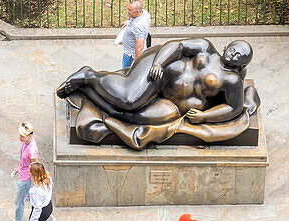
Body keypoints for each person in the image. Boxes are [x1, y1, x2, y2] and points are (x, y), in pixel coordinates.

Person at [57, 39, 260, 149]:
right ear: (227, 46)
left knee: (134, 118)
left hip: (174, 105)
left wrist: (204, 116)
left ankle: (91, 95)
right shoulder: (206, 48)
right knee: (129, 100)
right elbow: (176, 45)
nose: (233, 54)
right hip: (159, 73)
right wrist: (158, 64)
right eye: (233, 49)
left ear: (241, 64)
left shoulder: (232, 80)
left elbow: (232, 109)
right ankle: (89, 76)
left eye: (238, 56)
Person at [6, 122, 54, 221]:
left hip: (26, 179)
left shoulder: (32, 150)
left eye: (22, 136)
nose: (20, 137)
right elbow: (24, 159)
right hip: (24, 174)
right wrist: (19, 167)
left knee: (19, 202)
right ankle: (48, 217)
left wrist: (37, 180)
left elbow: (35, 165)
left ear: (29, 135)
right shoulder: (27, 142)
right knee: (30, 200)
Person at [120, 0, 151, 68]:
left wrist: (135, 61)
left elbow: (140, 45)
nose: (128, 11)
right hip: (131, 53)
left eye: (130, 10)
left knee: (126, 74)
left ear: (137, 12)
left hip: (131, 55)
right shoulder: (145, 13)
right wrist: (128, 22)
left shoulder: (138, 26)